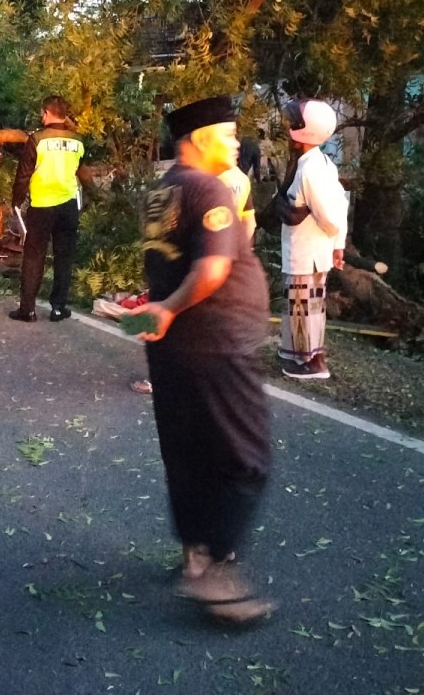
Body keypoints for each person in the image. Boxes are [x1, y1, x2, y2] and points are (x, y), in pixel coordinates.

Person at [126, 96, 276, 625]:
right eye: (229, 133)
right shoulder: (210, 188)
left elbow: (167, 261)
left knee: (188, 453)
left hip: (173, 345)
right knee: (245, 456)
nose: (237, 142)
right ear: (200, 139)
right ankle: (216, 570)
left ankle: (194, 555)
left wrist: (159, 311)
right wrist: (167, 307)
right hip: (215, 341)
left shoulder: (161, 190)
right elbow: (212, 268)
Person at [130, 156, 256, 396]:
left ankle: (160, 378)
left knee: (172, 314)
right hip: (225, 260)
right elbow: (249, 220)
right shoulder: (240, 178)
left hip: (190, 259)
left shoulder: (198, 179)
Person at [276, 99, 347, 380]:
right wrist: (337, 243)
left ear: (303, 129)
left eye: (293, 123)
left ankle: (311, 362)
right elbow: (341, 206)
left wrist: (333, 237)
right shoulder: (320, 162)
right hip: (312, 250)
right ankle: (302, 355)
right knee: (307, 307)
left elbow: (330, 213)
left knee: (304, 308)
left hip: (307, 252)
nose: (288, 128)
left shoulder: (311, 170)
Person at [9, 96, 84, 322]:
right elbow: (79, 171)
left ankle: (28, 310)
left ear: (47, 113)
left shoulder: (37, 139)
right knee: (64, 257)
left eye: (42, 113)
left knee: (34, 257)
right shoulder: (78, 141)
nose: (41, 117)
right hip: (68, 205)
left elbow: (23, 176)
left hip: (42, 206)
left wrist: (16, 202)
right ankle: (59, 308)